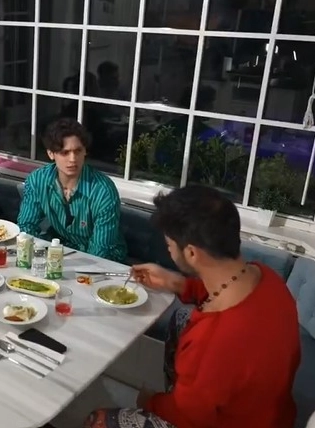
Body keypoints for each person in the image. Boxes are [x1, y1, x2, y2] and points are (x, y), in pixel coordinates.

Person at [85, 185, 300, 428]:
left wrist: (150, 402)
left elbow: (188, 417)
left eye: (169, 244)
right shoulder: (266, 277)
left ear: (191, 253)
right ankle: (185, 389)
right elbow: (223, 291)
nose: (168, 249)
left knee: (98, 421)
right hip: (269, 409)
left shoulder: (212, 341)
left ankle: (181, 393)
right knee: (181, 318)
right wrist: (176, 283)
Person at [17, 118, 127, 262]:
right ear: (51, 154)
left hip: (106, 258)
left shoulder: (103, 190)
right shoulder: (38, 180)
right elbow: (26, 226)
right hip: (63, 248)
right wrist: (37, 258)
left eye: (78, 151)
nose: (73, 159)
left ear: (85, 151)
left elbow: (100, 250)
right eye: (65, 153)